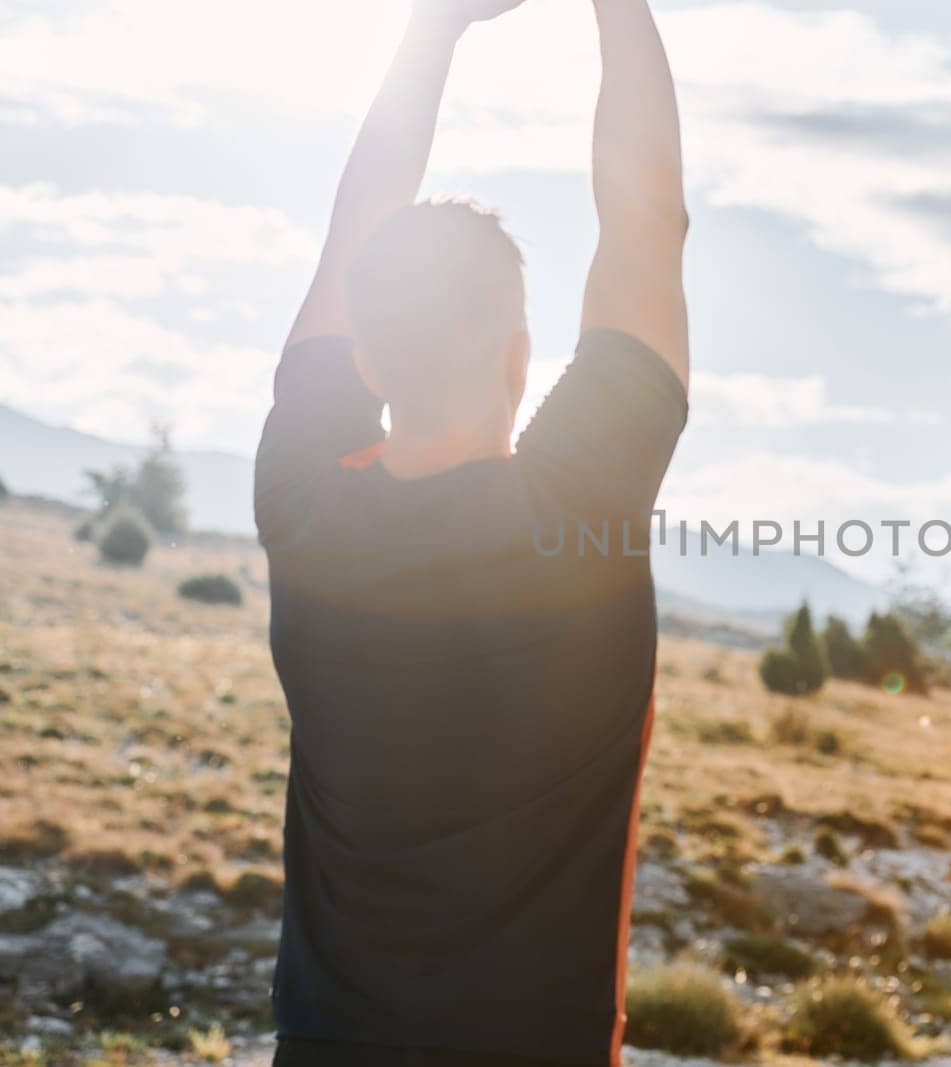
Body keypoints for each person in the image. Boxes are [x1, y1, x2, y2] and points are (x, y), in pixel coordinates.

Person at [252, 0, 689, 1062]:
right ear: (519, 358)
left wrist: (433, 26)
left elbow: (355, 225)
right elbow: (647, 223)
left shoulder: (306, 501)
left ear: (364, 359)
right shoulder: (577, 506)